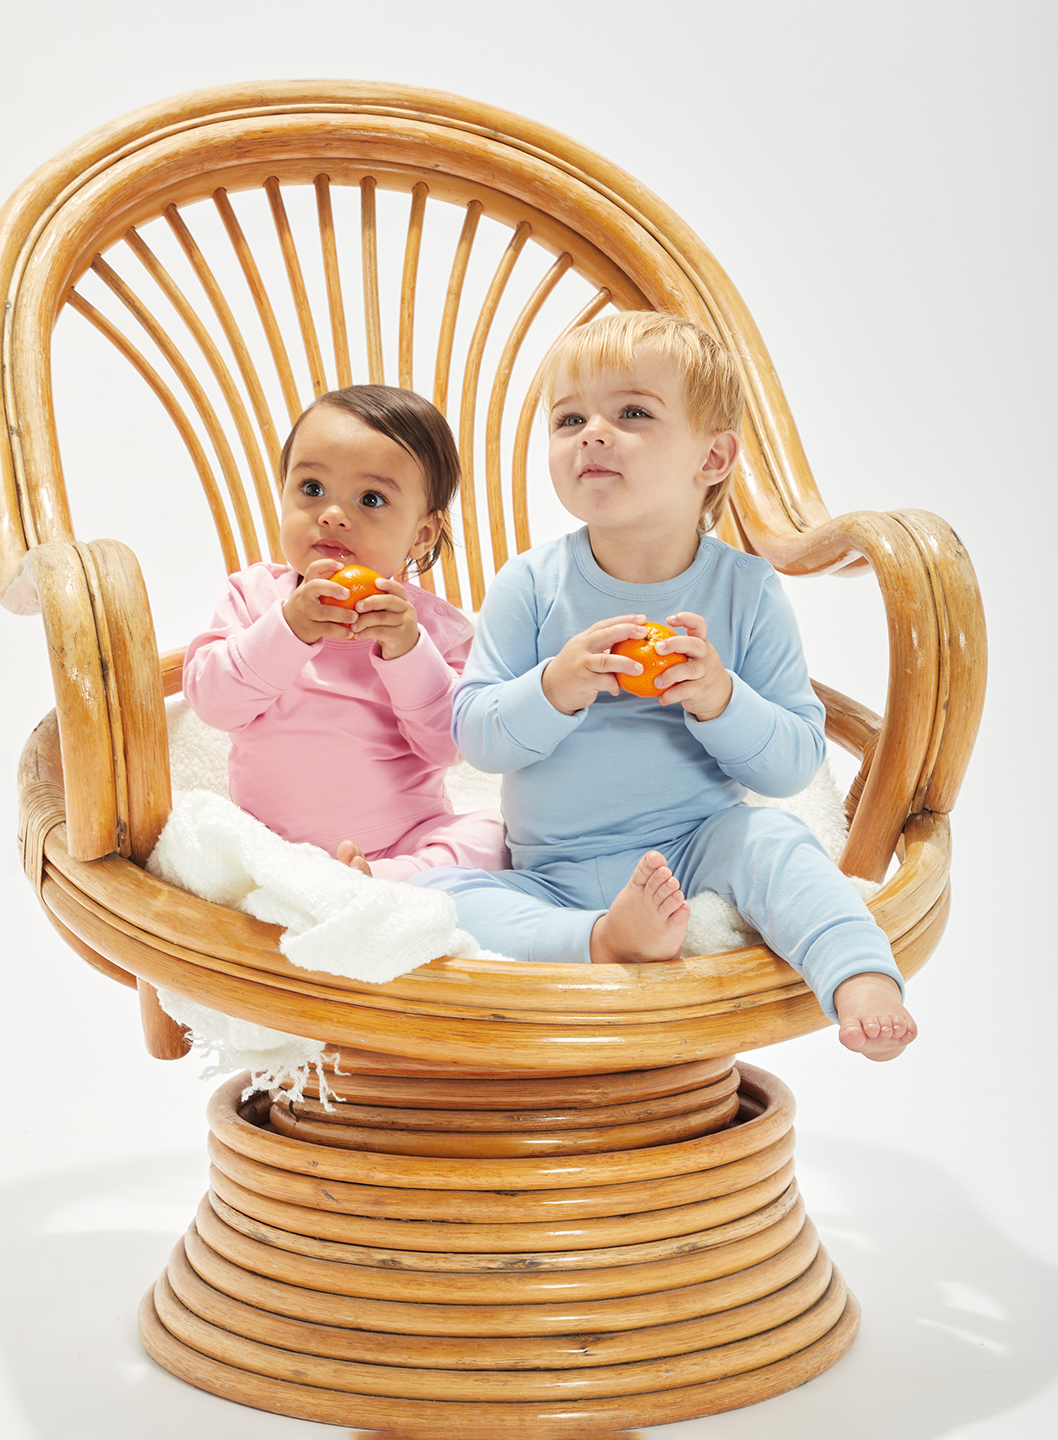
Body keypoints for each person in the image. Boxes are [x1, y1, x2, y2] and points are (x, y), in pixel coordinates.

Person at [412, 311, 915, 1061]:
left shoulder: (745, 590)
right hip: (550, 868)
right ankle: (601, 938)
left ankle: (859, 972)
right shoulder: (532, 584)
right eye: (570, 418)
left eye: (632, 413)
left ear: (712, 457)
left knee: (776, 841)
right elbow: (477, 739)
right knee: (436, 897)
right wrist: (555, 686)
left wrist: (720, 698)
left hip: (697, 845)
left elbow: (793, 764)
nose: (592, 434)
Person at [182, 384, 507, 881]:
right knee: (200, 831)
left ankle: (388, 879)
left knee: (497, 836)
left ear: (422, 534)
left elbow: (451, 746)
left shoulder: (436, 629)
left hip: (405, 837)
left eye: (371, 499)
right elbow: (212, 703)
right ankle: (365, 885)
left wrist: (408, 653)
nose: (333, 514)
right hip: (269, 843)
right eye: (312, 488)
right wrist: (287, 630)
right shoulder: (254, 597)